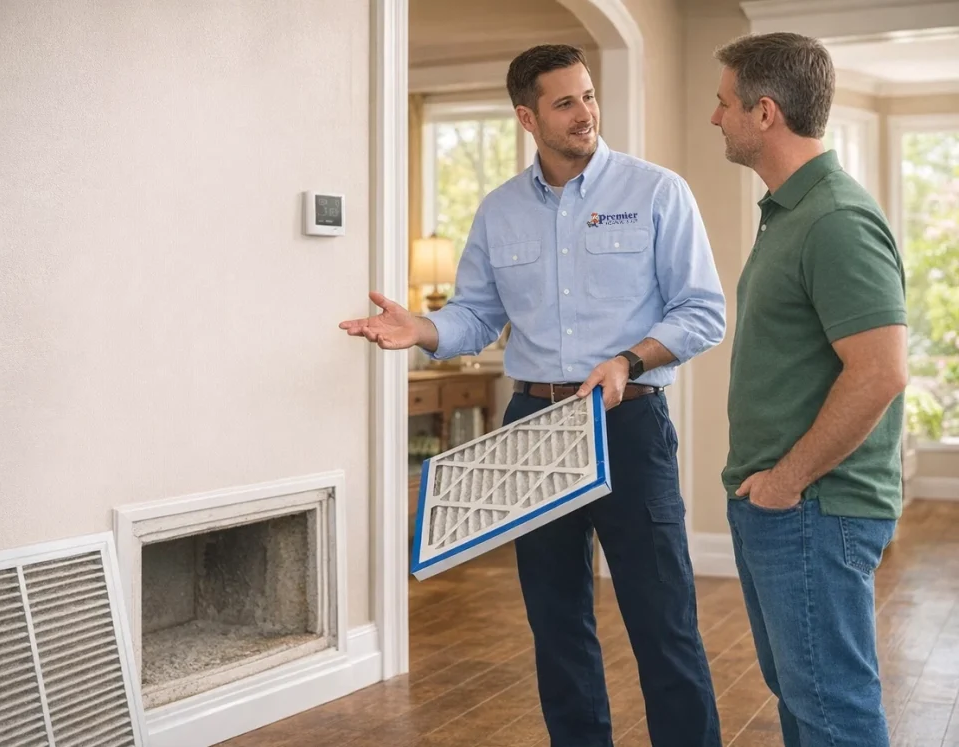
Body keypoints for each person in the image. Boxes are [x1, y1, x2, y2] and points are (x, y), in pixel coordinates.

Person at [342, 44, 725, 747]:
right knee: (556, 625)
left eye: (588, 96)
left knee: (663, 622)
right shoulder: (499, 212)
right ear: (527, 117)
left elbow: (703, 311)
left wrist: (626, 360)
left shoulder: (655, 191)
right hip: (533, 426)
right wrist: (422, 327)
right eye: (565, 102)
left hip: (629, 423)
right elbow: (477, 316)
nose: (586, 113)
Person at [712, 32, 908, 747]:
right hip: (783, 508)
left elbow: (882, 371)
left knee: (835, 716)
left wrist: (786, 481)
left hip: (813, 508)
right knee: (806, 708)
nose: (715, 117)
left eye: (724, 103)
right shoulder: (791, 211)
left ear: (765, 113)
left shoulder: (835, 219)